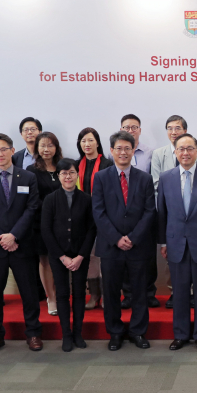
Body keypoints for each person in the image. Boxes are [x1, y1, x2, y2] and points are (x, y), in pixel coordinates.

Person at [0, 133, 42, 354]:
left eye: (4, 149)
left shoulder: (28, 177)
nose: (0, 154)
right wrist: (2, 238)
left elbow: (32, 208)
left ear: (12, 151)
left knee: (29, 292)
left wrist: (14, 235)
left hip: (23, 245)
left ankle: (33, 333)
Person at [91, 131, 157, 351]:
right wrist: (117, 238)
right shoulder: (101, 177)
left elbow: (149, 211)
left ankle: (138, 331)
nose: (123, 152)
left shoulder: (144, 178)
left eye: (127, 148)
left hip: (138, 246)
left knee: (139, 292)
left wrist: (133, 237)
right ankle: (115, 333)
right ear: (111, 151)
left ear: (133, 150)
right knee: (111, 293)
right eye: (118, 148)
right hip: (111, 246)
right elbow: (98, 212)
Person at [157, 134, 197, 351]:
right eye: (181, 149)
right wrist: (163, 243)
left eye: (190, 148)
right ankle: (181, 334)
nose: (185, 153)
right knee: (180, 293)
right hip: (175, 244)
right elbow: (162, 213)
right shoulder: (166, 178)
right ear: (175, 152)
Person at [40, 158, 96, 352]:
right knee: (62, 294)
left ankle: (78, 334)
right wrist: (62, 257)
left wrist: (81, 256)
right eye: (64, 173)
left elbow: (92, 229)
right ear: (58, 176)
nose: (68, 176)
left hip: (80, 255)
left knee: (79, 294)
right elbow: (46, 230)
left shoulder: (87, 199)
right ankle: (66, 335)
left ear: (77, 175)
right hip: (59, 255)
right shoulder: (50, 199)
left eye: (71, 172)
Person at [108, 113, 160, 309]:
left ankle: (149, 292)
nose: (130, 130)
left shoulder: (150, 153)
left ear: (139, 130)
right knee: (124, 261)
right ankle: (128, 294)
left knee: (147, 258)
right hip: (119, 215)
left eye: (134, 127)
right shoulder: (112, 155)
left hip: (143, 212)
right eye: (126, 127)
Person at [151, 115, 197, 309]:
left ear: (185, 130)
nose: (173, 132)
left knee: (193, 257)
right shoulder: (159, 154)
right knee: (173, 258)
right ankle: (175, 291)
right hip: (170, 212)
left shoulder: (196, 152)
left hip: (193, 215)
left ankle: (192, 292)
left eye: (178, 128)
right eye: (170, 128)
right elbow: (156, 184)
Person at [76, 127, 113, 310]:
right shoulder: (76, 165)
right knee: (89, 257)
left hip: (104, 216)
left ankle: (107, 295)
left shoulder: (107, 164)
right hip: (84, 218)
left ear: (97, 142)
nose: (87, 144)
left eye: (90, 140)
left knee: (105, 256)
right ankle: (94, 294)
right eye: (83, 141)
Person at [27, 131, 62, 315]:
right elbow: (32, 199)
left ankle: (61, 295)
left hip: (64, 223)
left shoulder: (63, 166)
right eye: (42, 145)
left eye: (50, 145)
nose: (46, 149)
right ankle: (51, 298)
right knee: (46, 261)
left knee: (62, 260)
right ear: (37, 148)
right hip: (42, 223)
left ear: (56, 147)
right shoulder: (32, 171)